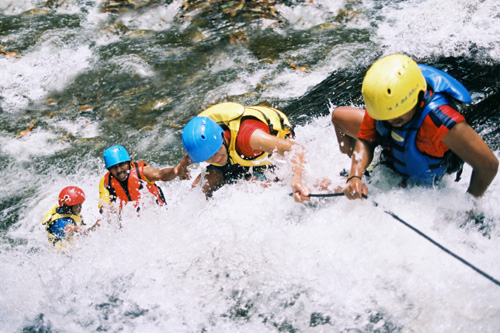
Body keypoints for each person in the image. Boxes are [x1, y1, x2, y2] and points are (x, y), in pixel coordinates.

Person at [331, 54, 498, 200]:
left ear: (417, 98)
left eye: (396, 116)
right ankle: (365, 170)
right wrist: (355, 174)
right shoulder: (381, 105)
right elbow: (366, 140)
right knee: (339, 117)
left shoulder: (441, 121)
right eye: (384, 117)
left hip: (427, 176)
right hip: (395, 155)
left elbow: (488, 165)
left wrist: (469, 206)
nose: (389, 121)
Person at [181, 102, 313, 202]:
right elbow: (192, 155)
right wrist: (181, 167)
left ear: (222, 137)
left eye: (215, 151)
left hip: (264, 154)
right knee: (197, 189)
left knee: (251, 187)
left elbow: (297, 149)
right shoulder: (207, 148)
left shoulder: (250, 138)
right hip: (234, 155)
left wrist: (297, 180)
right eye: (208, 157)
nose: (215, 159)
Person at [98, 145, 189, 212]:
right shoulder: (106, 182)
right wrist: (109, 209)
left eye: (122, 165)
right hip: (129, 222)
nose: (119, 170)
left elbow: (162, 175)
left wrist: (175, 170)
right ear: (108, 169)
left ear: (130, 161)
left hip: (156, 215)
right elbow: (103, 207)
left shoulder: (142, 172)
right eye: (114, 167)